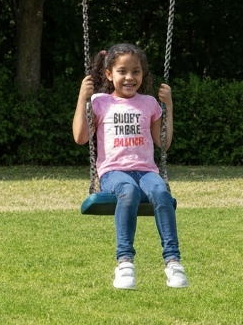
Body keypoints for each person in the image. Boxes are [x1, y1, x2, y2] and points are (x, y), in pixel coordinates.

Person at [73, 42, 188, 290]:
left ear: (142, 74)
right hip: (113, 173)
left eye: (136, 71)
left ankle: (173, 261)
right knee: (128, 190)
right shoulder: (100, 102)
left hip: (146, 170)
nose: (129, 77)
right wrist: (83, 98)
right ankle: (125, 262)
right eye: (122, 71)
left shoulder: (149, 103)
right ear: (108, 74)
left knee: (161, 192)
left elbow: (163, 143)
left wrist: (168, 107)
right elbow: (81, 137)